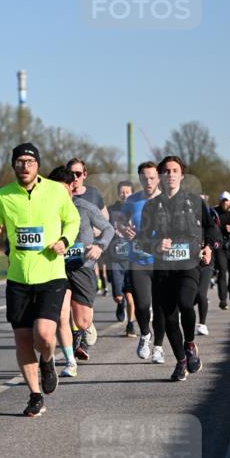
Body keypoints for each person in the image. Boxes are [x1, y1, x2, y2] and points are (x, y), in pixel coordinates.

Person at [0, 143, 80, 417]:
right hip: (18, 278)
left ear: (37, 165)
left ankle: (47, 360)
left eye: (29, 161)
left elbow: (73, 221)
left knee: (44, 334)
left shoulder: (55, 191)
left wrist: (64, 240)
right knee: (23, 339)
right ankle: (35, 395)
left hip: (50, 275)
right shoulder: (2, 197)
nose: (24, 166)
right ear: (13, 165)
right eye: (20, 162)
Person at [138, 156, 220, 381]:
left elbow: (212, 230)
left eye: (175, 170)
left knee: (186, 303)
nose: (170, 174)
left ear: (182, 175)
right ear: (161, 177)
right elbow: (141, 239)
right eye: (166, 171)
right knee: (169, 318)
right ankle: (181, 360)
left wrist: (209, 248)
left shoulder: (194, 202)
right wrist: (155, 244)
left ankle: (190, 344)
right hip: (164, 269)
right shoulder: (152, 206)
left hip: (189, 265)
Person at [49, 167, 114, 375]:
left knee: (82, 320)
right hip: (57, 267)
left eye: (62, 189)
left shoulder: (85, 207)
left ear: (71, 187)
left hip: (82, 267)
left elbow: (108, 229)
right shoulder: (47, 211)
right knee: (61, 316)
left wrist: (99, 246)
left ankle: (86, 326)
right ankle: (70, 361)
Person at [119, 161, 166, 363]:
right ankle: (145, 333)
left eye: (152, 177)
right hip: (138, 260)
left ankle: (158, 347)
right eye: (144, 178)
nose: (148, 181)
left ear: (159, 178)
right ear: (139, 178)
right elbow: (119, 222)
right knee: (143, 304)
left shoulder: (166, 200)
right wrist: (122, 228)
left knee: (161, 305)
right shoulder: (131, 201)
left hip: (162, 261)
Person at [66, 158, 109, 296]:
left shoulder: (93, 194)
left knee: (82, 304)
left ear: (84, 174)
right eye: (70, 173)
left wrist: (97, 230)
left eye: (78, 173)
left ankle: (99, 281)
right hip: (64, 252)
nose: (74, 177)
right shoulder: (60, 193)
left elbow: (105, 217)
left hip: (86, 252)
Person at [107, 180, 137, 337]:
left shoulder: (137, 210)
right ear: (118, 193)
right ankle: (120, 304)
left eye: (128, 192)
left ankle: (130, 325)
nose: (125, 194)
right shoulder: (111, 210)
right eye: (122, 192)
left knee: (131, 294)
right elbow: (103, 227)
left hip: (131, 259)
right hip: (115, 258)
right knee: (118, 295)